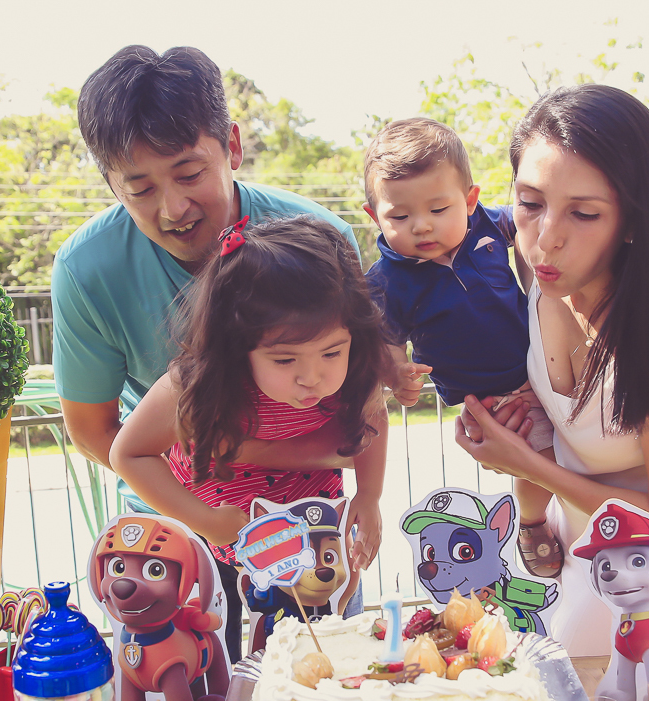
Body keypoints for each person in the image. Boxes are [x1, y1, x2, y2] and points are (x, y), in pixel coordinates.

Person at [455, 84, 649, 656]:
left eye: (584, 213)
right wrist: (522, 416)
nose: (546, 238)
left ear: (635, 218)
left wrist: (526, 466)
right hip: (578, 557)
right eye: (530, 202)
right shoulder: (538, 278)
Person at [52, 45, 361, 515]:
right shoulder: (84, 270)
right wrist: (198, 505)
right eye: (140, 189)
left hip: (308, 518)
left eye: (191, 174)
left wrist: (242, 456)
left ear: (232, 147)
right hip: (169, 528)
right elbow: (95, 433)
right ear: (113, 187)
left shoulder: (324, 243)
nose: (174, 208)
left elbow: (359, 410)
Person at [109, 215, 390, 662]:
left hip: (314, 536)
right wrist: (205, 520)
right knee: (219, 663)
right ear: (238, 345)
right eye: (284, 360)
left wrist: (370, 496)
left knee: (333, 652)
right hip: (219, 544)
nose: (311, 377)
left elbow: (371, 418)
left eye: (332, 352)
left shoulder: (355, 370)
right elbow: (128, 453)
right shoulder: (191, 384)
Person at [361, 118, 563, 578]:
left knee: (577, 445)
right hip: (491, 396)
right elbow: (389, 341)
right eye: (399, 216)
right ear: (375, 216)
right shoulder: (388, 282)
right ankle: (531, 522)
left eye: (438, 209)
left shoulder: (488, 224)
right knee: (542, 458)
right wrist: (399, 376)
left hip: (541, 364)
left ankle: (568, 512)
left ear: (469, 200)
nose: (422, 226)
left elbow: (525, 223)